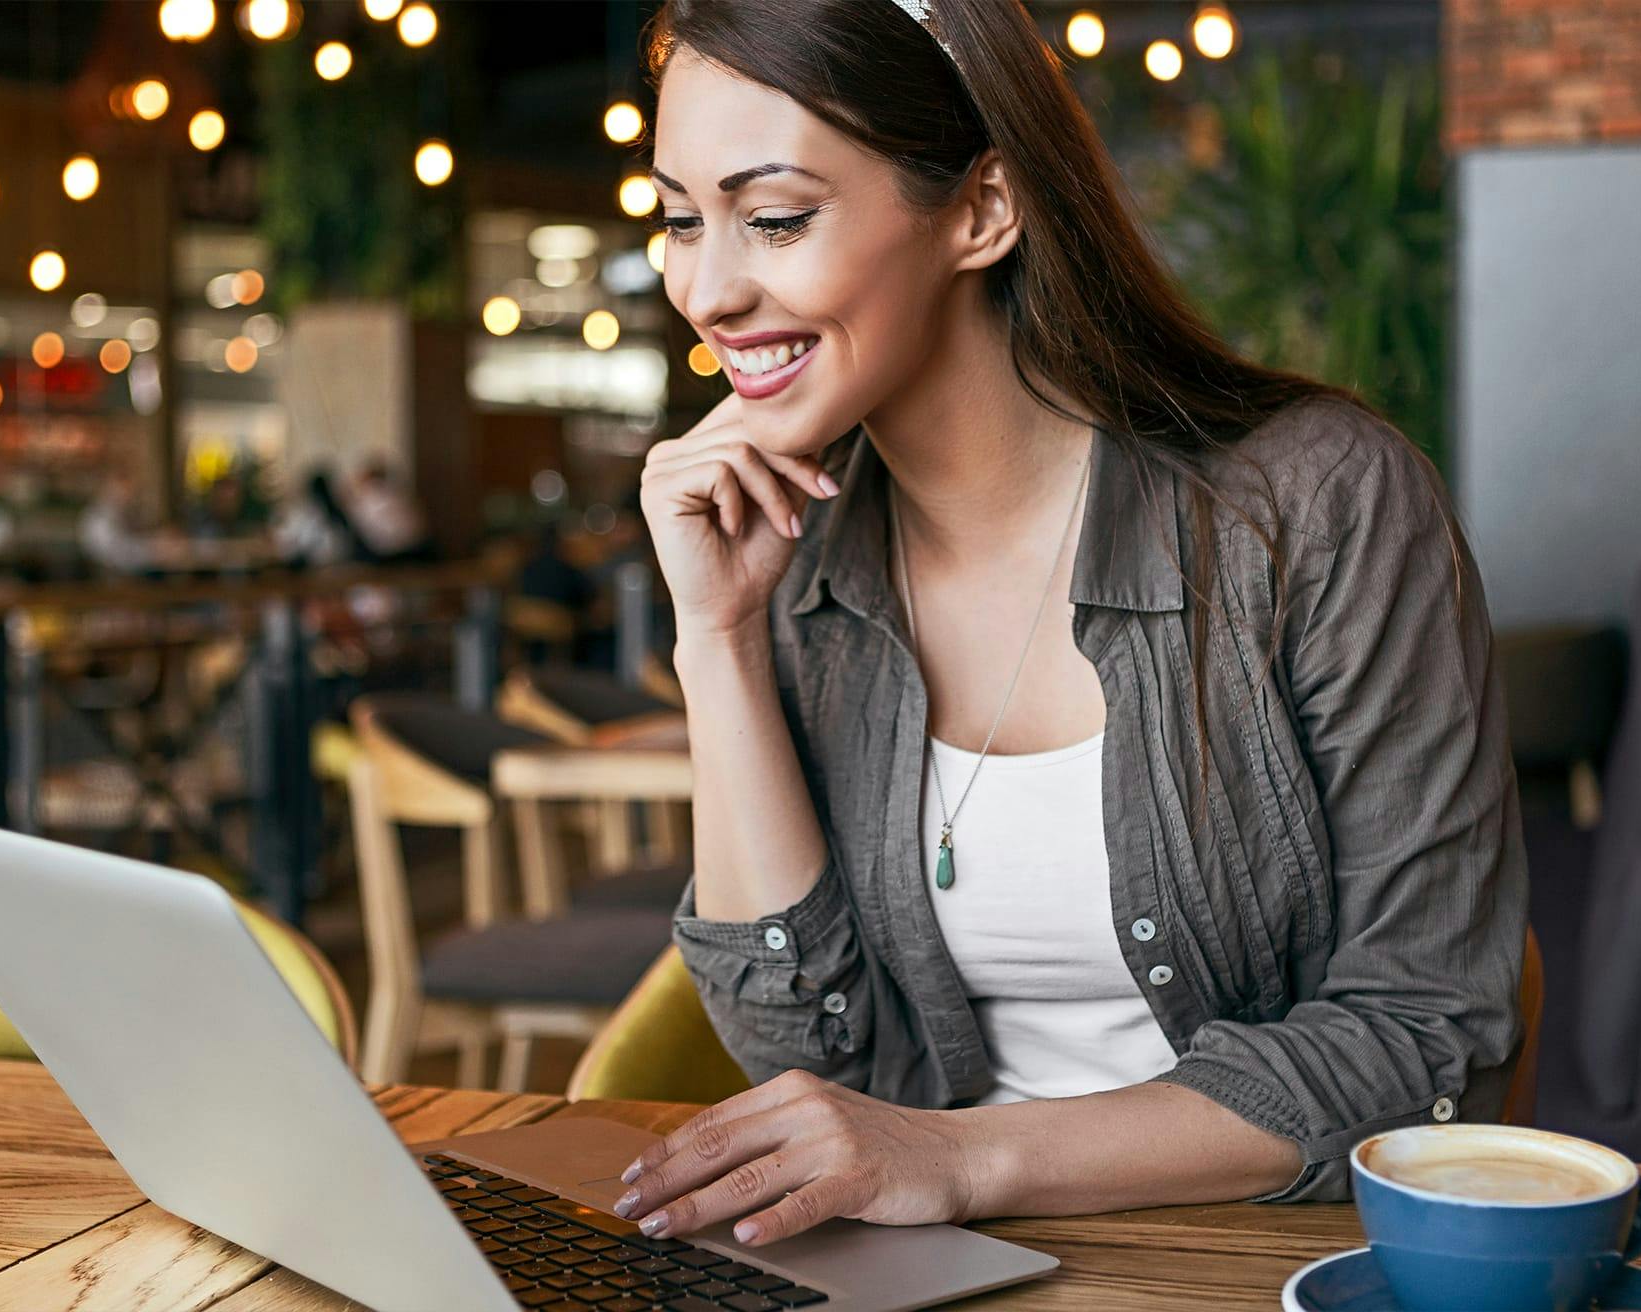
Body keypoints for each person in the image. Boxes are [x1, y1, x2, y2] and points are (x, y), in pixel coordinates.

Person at [624, 0, 1527, 1252]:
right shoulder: (798, 558)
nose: (707, 289)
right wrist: (715, 636)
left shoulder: (1317, 506)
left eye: (773, 218)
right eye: (677, 219)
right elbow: (806, 1050)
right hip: (923, 1265)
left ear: (982, 211)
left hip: (1257, 1260)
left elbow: (1428, 1037)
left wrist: (962, 1156)